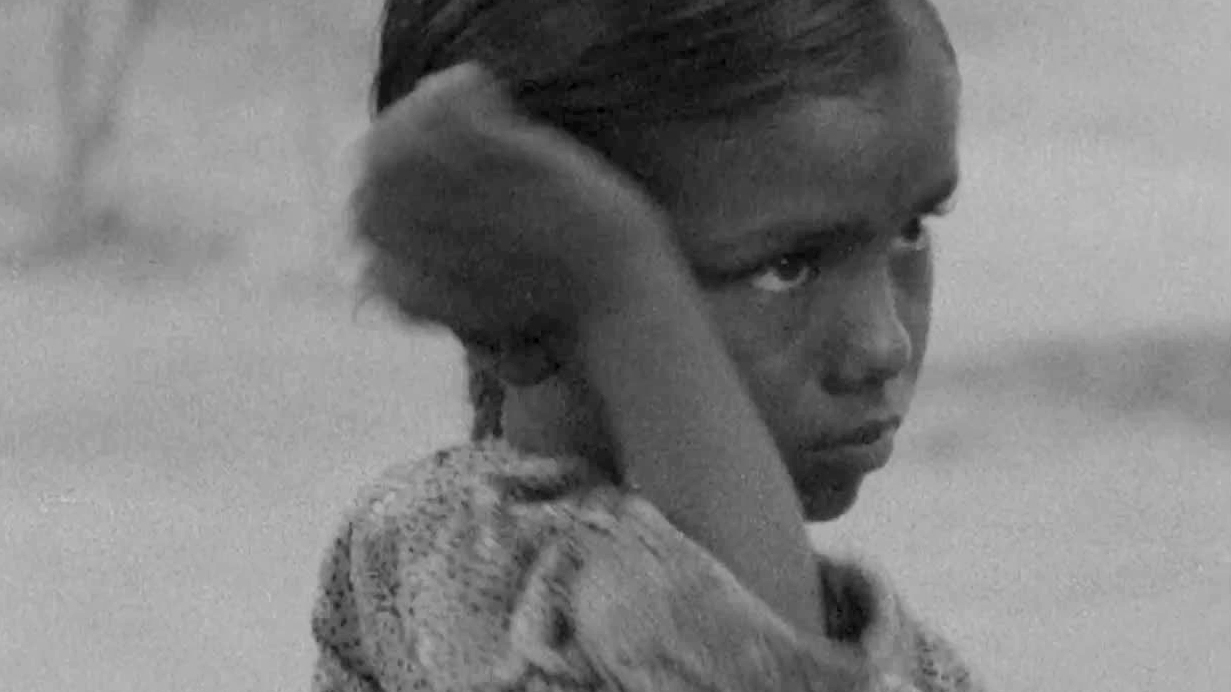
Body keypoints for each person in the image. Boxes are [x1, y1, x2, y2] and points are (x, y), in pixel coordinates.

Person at [311, 0, 981, 689]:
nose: (884, 344)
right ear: (512, 311)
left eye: (911, 231)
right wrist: (619, 280)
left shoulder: (909, 660)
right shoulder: (451, 569)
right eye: (784, 267)